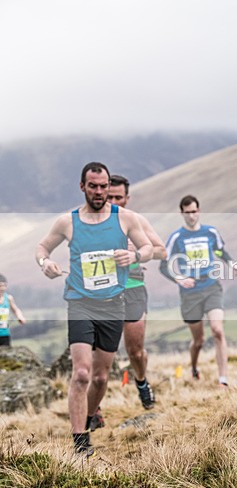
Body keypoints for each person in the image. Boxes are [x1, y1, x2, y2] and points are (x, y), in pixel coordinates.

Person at [35, 162, 153, 456]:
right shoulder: (68, 222)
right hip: (80, 303)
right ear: (82, 187)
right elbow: (42, 248)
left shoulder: (125, 219)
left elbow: (148, 248)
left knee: (100, 378)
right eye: (93, 186)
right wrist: (45, 263)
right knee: (82, 373)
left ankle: (87, 417)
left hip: (113, 305)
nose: (99, 192)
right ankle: (80, 442)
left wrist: (135, 256)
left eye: (103, 186)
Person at [160, 195, 237, 387]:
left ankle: (223, 380)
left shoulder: (210, 232)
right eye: (187, 213)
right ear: (182, 213)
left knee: (217, 330)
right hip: (190, 293)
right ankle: (194, 368)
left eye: (194, 212)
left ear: (199, 211)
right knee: (199, 341)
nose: (191, 216)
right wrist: (179, 278)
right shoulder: (176, 238)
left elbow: (219, 251)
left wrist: (231, 263)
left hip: (211, 286)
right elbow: (164, 265)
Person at [107, 174, 167, 409]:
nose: (113, 202)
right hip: (103, 291)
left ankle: (141, 381)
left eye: (118, 198)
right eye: (109, 197)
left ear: (127, 198)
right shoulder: (91, 222)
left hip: (133, 287)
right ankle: (94, 406)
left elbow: (162, 251)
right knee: (100, 351)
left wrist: (137, 253)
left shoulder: (136, 221)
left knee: (135, 351)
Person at [0, 274, 26, 346]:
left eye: (4, 286)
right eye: (0, 286)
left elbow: (15, 310)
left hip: (4, 334)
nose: (2, 288)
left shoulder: (8, 298)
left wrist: (20, 317)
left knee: (6, 352)